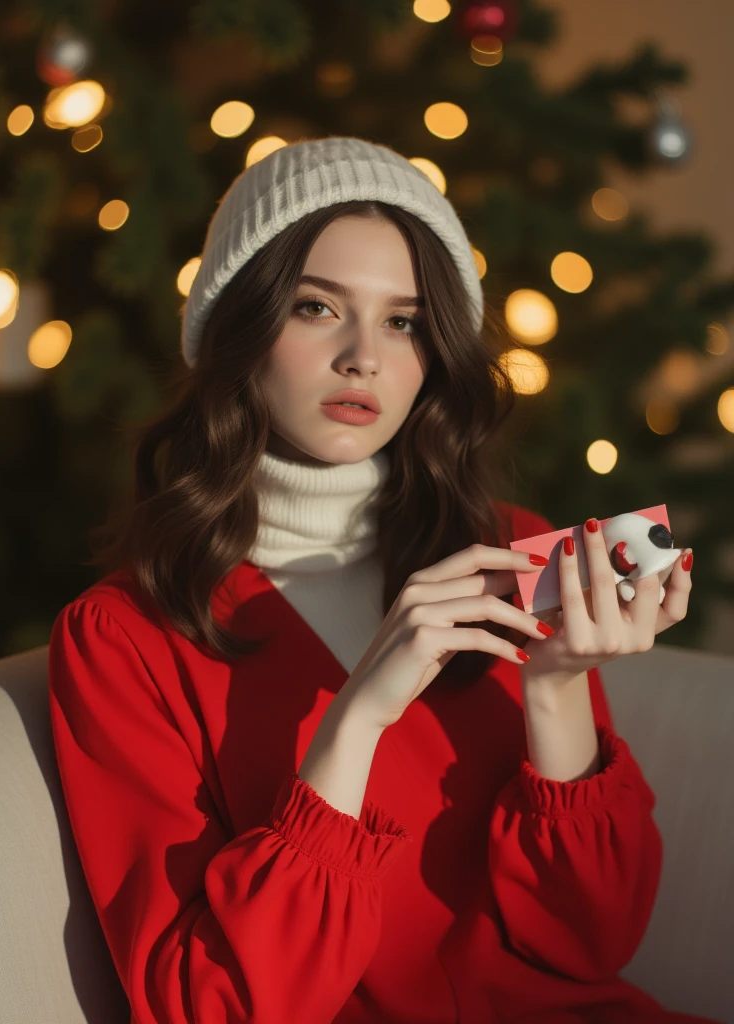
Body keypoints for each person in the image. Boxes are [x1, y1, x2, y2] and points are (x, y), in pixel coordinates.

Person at [48, 136, 711, 1024]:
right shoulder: (124, 639)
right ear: (237, 330)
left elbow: (587, 948)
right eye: (318, 307)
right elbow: (211, 1010)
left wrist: (555, 688)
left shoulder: (508, 553)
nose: (364, 355)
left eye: (403, 321)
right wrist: (354, 719)